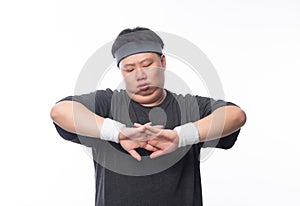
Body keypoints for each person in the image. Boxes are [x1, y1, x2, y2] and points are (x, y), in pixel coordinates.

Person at [50, 27, 246, 206]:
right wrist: (118, 133)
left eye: (147, 64)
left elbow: (235, 115)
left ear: (162, 62)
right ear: (121, 71)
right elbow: (61, 111)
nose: (140, 74)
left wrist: (181, 137)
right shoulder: (107, 104)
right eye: (129, 69)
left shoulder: (188, 107)